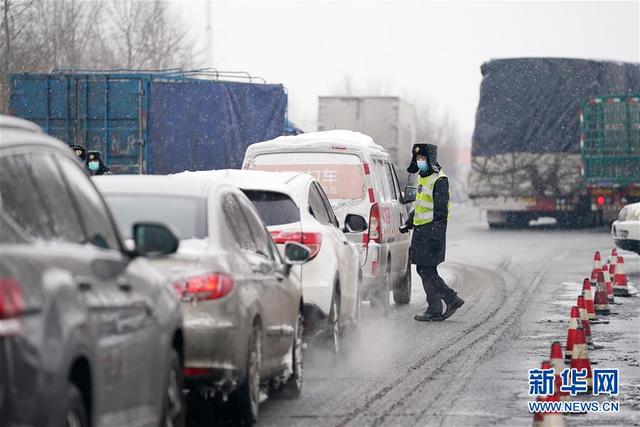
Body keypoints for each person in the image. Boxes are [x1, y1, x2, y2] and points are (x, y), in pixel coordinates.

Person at [400, 143, 464, 321]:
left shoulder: (439, 180)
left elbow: (441, 212)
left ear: (431, 159)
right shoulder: (423, 177)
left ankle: (447, 301)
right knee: (424, 269)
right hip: (421, 231)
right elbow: (422, 205)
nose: (420, 161)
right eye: (418, 158)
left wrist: (436, 236)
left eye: (423, 158)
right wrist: (410, 222)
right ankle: (439, 305)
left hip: (431, 232)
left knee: (427, 270)